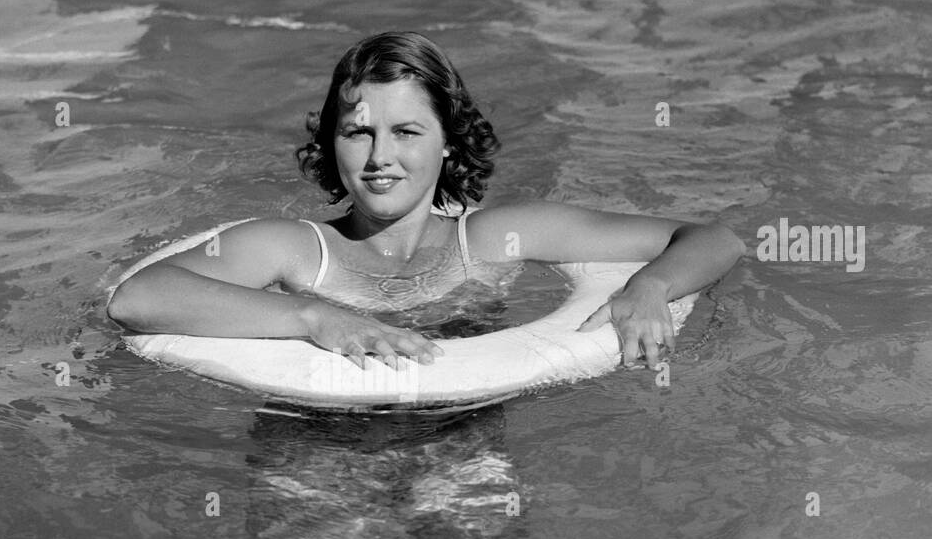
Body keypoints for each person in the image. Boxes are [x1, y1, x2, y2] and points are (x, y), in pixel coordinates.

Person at [107, 31, 744, 370]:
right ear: (332, 143)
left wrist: (650, 289)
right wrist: (315, 317)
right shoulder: (299, 251)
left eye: (407, 132)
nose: (380, 156)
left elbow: (714, 238)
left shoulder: (496, 239)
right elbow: (138, 299)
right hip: (316, 440)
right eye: (358, 132)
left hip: (463, 431)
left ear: (448, 142)